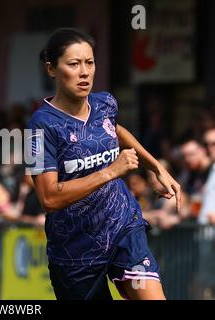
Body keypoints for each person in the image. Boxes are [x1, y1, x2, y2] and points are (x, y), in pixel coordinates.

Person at [27, 28, 181, 300]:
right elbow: (48, 198)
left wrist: (156, 168)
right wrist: (110, 171)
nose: (84, 72)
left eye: (90, 62)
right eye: (74, 64)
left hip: (122, 225)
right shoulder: (38, 129)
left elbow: (116, 131)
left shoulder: (105, 104)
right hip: (75, 250)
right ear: (52, 69)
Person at [199, 128, 215, 225]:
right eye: (206, 145)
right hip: (204, 235)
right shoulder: (211, 169)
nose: (209, 148)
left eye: (214, 144)